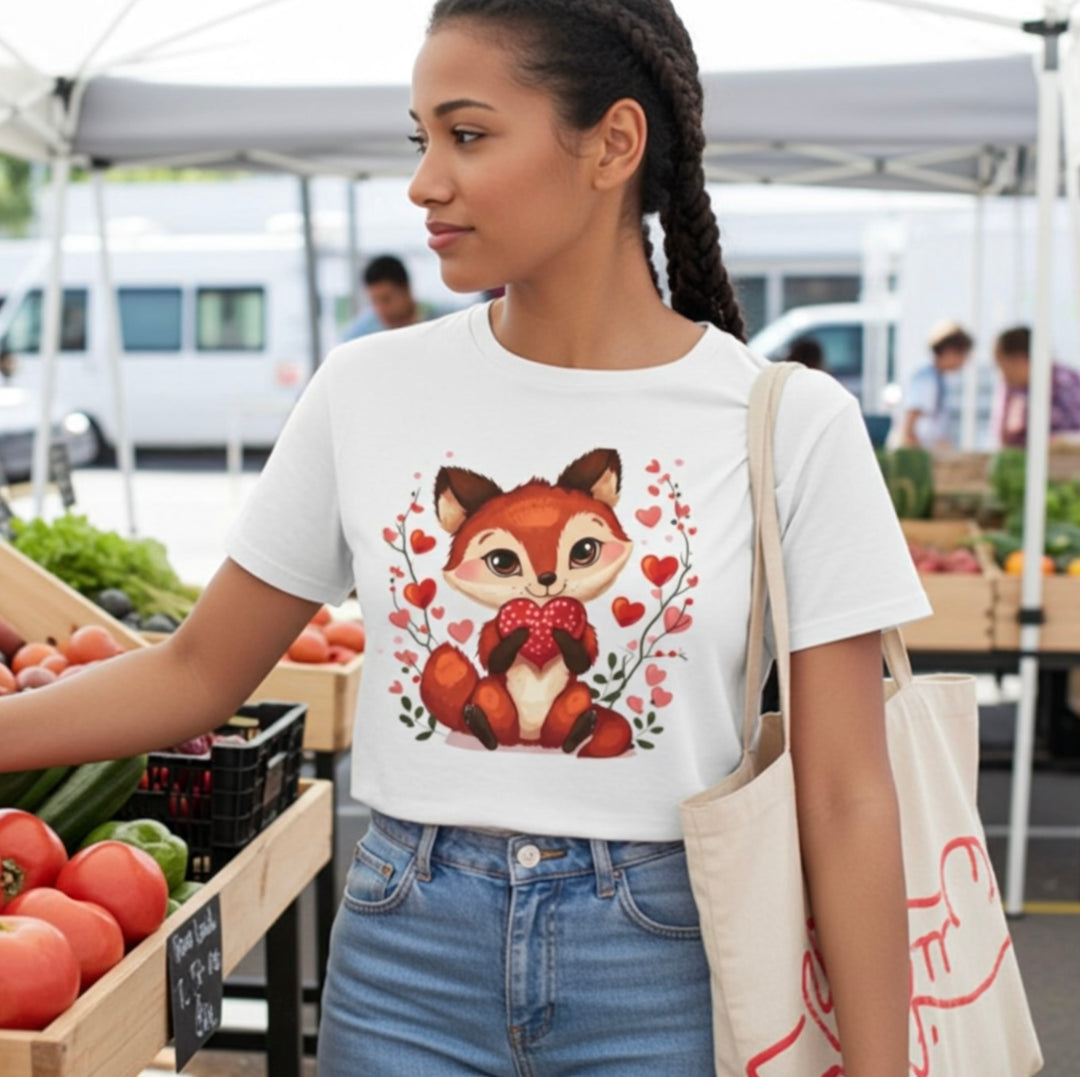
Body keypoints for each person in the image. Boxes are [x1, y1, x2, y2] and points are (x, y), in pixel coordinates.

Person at [1, 2, 930, 1073]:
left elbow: (848, 790)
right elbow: (198, 672)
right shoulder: (369, 388)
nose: (424, 181)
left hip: (672, 962)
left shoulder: (786, 419)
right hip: (406, 953)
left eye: (468, 133)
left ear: (613, 145)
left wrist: (881, 1062)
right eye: (421, 137)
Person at [993, 325, 1080, 447]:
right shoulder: (1012, 387)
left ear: (1020, 360)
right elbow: (1003, 436)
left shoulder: (1065, 382)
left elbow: (1073, 436)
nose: (1002, 374)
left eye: (1002, 366)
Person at [899, 319, 974, 449]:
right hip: (916, 453)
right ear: (949, 352)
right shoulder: (925, 379)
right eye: (963, 355)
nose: (964, 362)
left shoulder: (938, 379)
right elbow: (910, 424)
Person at [339, 253, 443, 340]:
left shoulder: (441, 323)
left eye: (386, 299)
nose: (380, 309)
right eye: (374, 302)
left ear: (406, 289)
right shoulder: (359, 336)